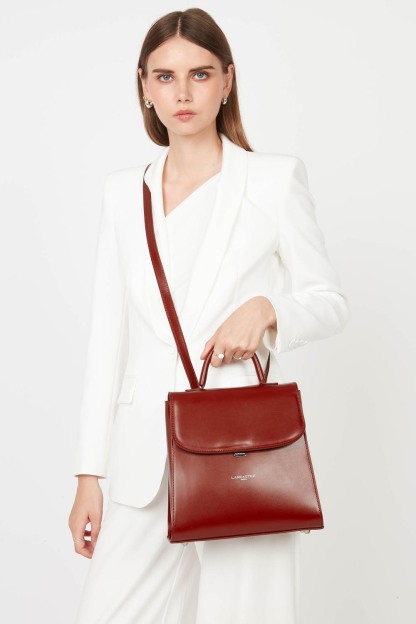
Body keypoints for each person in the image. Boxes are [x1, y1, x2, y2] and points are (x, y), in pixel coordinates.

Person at [68, 7, 349, 623]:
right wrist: (90, 473)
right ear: (144, 85)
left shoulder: (273, 180)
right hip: (143, 460)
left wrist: (267, 309)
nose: (183, 93)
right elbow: (106, 342)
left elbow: (329, 302)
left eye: (199, 74)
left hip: (242, 452)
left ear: (227, 80)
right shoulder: (123, 192)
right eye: (165, 76)